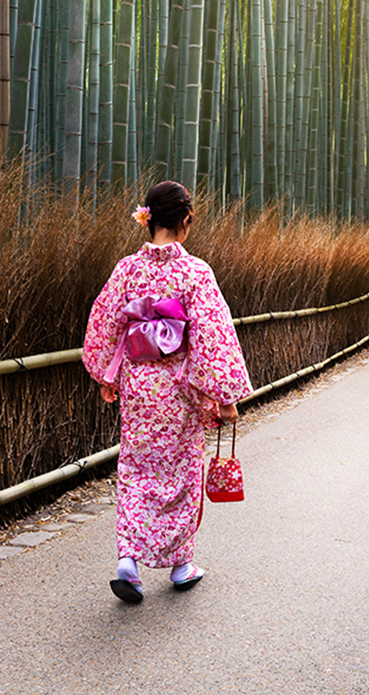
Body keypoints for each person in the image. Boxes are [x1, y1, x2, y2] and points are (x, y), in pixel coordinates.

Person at [82, 181, 252, 604]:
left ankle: (128, 559)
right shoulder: (194, 272)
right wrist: (225, 397)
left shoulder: (127, 269)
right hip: (179, 389)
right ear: (185, 221)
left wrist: (106, 375)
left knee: (136, 468)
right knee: (180, 472)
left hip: (139, 388)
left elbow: (105, 323)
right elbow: (212, 336)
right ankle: (180, 565)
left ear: (148, 219)